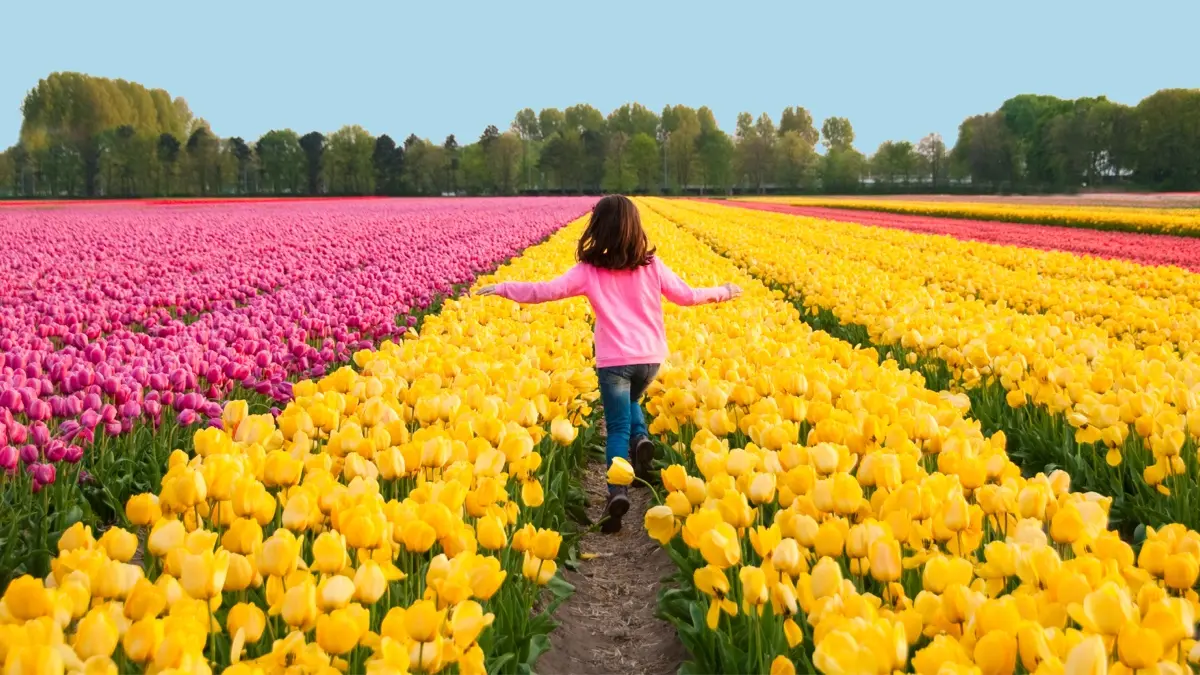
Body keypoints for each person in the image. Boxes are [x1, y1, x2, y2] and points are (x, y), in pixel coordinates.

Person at [476, 195, 741, 533]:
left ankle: (617, 491)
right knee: (632, 402)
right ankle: (642, 439)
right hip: (650, 359)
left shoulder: (590, 271)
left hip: (615, 362)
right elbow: (687, 296)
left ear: (597, 229)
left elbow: (546, 290)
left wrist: (503, 287)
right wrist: (724, 290)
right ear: (635, 228)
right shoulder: (652, 266)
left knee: (616, 428)